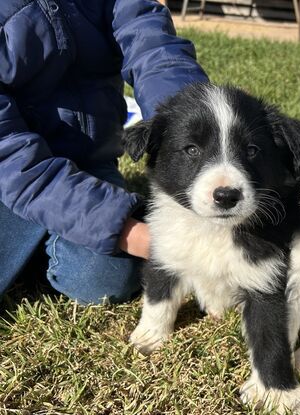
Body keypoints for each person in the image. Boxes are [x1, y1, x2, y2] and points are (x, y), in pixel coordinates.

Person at [0, 0, 208, 303]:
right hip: (12, 173)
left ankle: (37, 242)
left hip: (88, 159)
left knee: (106, 276)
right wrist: (130, 231)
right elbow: (12, 160)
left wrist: (194, 134)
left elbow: (152, 45)